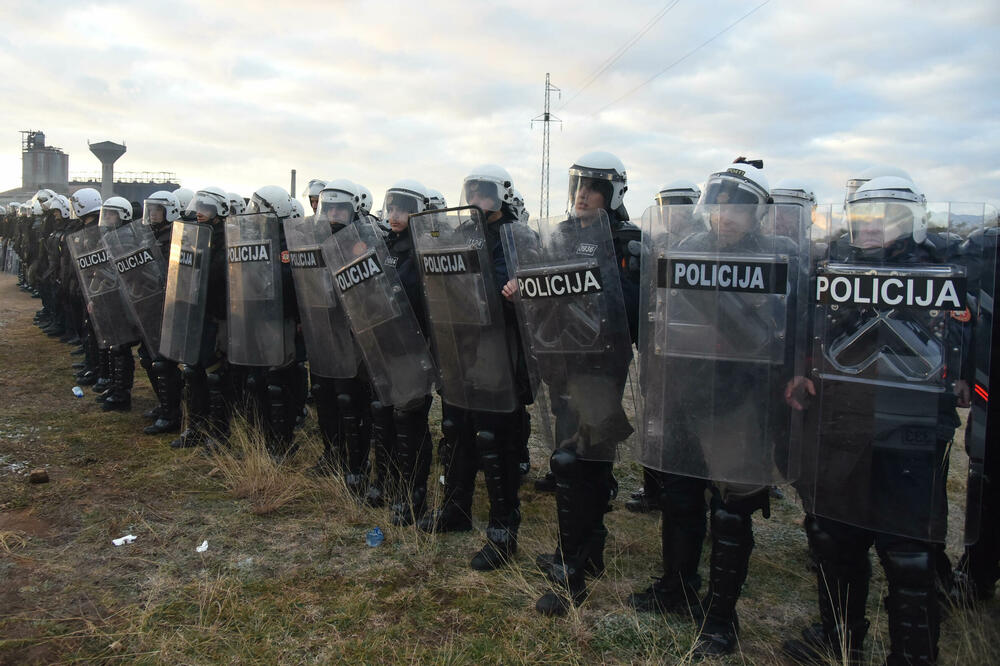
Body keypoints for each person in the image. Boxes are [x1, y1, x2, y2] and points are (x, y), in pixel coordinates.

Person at [783, 175, 972, 665]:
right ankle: (839, 638)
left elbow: (966, 339)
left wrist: (963, 376)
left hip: (911, 427)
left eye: (882, 217)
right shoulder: (831, 265)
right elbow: (807, 328)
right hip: (842, 421)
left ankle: (912, 654)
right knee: (833, 534)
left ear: (908, 222)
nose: (868, 227)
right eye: (862, 216)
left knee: (908, 552)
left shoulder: (945, 268)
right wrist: (802, 369)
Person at [631, 158, 806, 657]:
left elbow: (790, 327)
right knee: (681, 495)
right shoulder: (686, 248)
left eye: (740, 208)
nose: (727, 215)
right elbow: (660, 317)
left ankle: (720, 616)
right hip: (685, 389)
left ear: (757, 215)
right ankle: (676, 588)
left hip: (740, 397)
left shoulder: (780, 255)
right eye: (722, 204)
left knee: (731, 511)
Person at [504, 151, 639, 615]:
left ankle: (572, 569)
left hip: (599, 370)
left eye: (594, 187)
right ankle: (587, 550)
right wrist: (521, 287)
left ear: (613, 193)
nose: (582, 194)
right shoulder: (557, 236)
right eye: (578, 185)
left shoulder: (626, 242)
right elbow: (542, 288)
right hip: (560, 364)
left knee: (578, 461)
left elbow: (634, 312)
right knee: (580, 462)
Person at [415, 165, 531, 571]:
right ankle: (455, 509)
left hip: (497, 349)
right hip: (458, 346)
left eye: (484, 192)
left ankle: (503, 530)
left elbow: (511, 289)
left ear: (501, 195)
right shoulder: (460, 234)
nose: (477, 199)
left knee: (492, 438)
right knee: (456, 429)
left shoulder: (518, 237)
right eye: (472, 191)